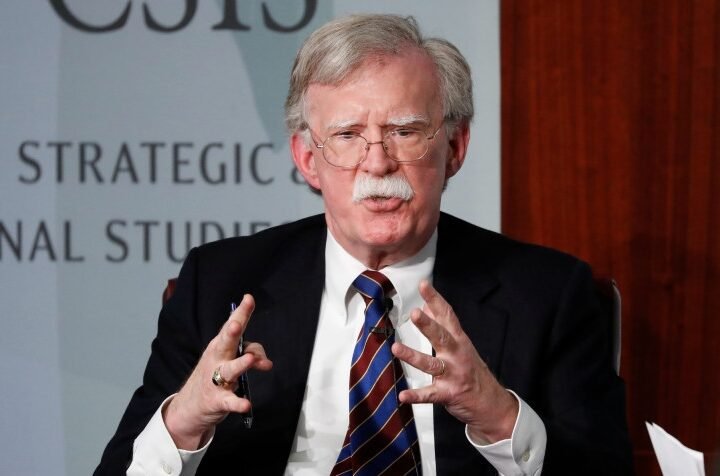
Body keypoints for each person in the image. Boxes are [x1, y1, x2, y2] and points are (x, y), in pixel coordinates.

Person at [95, 13, 632, 476]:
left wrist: (500, 417)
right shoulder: (220, 284)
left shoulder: (548, 294)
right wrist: (182, 423)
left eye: (404, 131)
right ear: (308, 159)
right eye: (348, 135)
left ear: (455, 147)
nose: (377, 164)